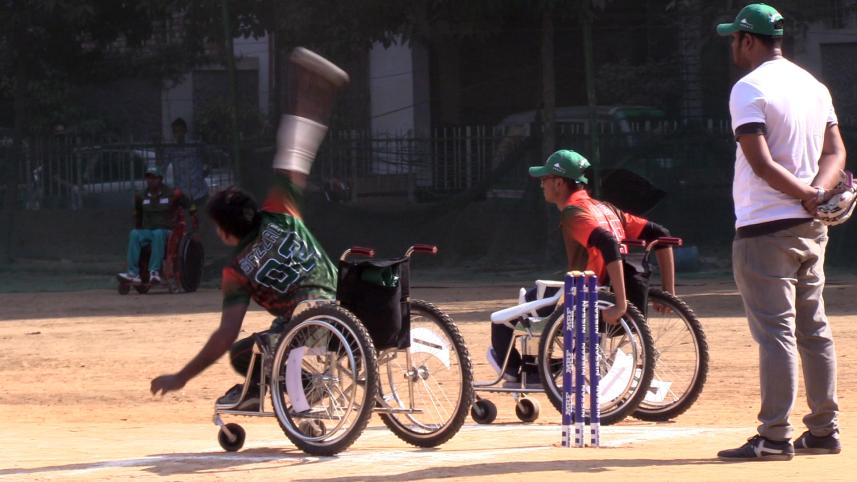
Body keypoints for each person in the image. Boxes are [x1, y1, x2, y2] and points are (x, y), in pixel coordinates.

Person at [149, 48, 349, 410]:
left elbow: (225, 335)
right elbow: (296, 152)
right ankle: (294, 388)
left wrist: (181, 377)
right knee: (293, 156)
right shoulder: (280, 212)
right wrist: (313, 96)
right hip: (348, 313)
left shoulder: (236, 270)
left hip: (304, 328)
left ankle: (273, 391)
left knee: (243, 353)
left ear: (226, 231)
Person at [714, 4, 846, 461]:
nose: (733, 46)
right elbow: (836, 151)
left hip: (764, 227)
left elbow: (762, 162)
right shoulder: (814, 86)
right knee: (814, 328)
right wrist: (818, 194)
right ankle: (824, 430)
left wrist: (805, 193)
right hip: (811, 227)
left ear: (748, 40)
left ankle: (773, 436)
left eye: (735, 39)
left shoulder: (749, 87)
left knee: (776, 334)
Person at [487, 149, 676, 383]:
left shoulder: (574, 213)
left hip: (586, 302)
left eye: (544, 179)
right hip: (604, 298)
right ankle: (545, 367)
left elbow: (608, 243)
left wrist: (620, 304)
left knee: (501, 320)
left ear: (559, 183)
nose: (541, 184)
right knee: (535, 295)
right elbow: (661, 234)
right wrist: (669, 292)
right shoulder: (606, 208)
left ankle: (517, 371)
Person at [117, 166, 194, 284]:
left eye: (154, 177)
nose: (150, 180)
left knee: (158, 233)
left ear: (160, 179)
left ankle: (154, 272)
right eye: (148, 177)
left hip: (168, 232)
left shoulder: (172, 193)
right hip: (148, 231)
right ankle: (133, 273)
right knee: (134, 234)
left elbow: (190, 205)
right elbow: (137, 214)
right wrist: (138, 225)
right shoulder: (141, 196)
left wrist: (194, 218)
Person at [162, 118, 210, 206]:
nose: (179, 134)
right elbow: (163, 167)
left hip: (199, 192)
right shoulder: (171, 149)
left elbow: (207, 156)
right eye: (176, 132)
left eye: (181, 130)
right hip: (182, 194)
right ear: (173, 133)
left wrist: (206, 169)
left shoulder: (195, 146)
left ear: (185, 131)